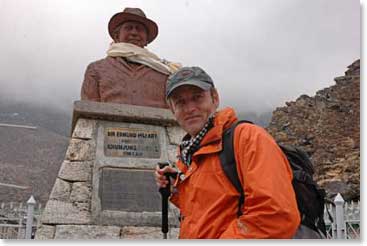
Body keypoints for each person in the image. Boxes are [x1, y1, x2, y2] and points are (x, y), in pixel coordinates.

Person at [154, 66, 301, 239]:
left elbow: (275, 217)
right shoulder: (191, 153)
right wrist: (177, 188)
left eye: (197, 98)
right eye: (180, 102)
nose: (190, 108)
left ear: (215, 98)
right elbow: (211, 211)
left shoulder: (248, 139)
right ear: (172, 110)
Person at [80, 7, 180, 108]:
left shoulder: (165, 72)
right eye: (129, 28)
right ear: (116, 36)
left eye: (139, 29)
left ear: (146, 40)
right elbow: (88, 110)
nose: (134, 32)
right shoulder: (97, 69)